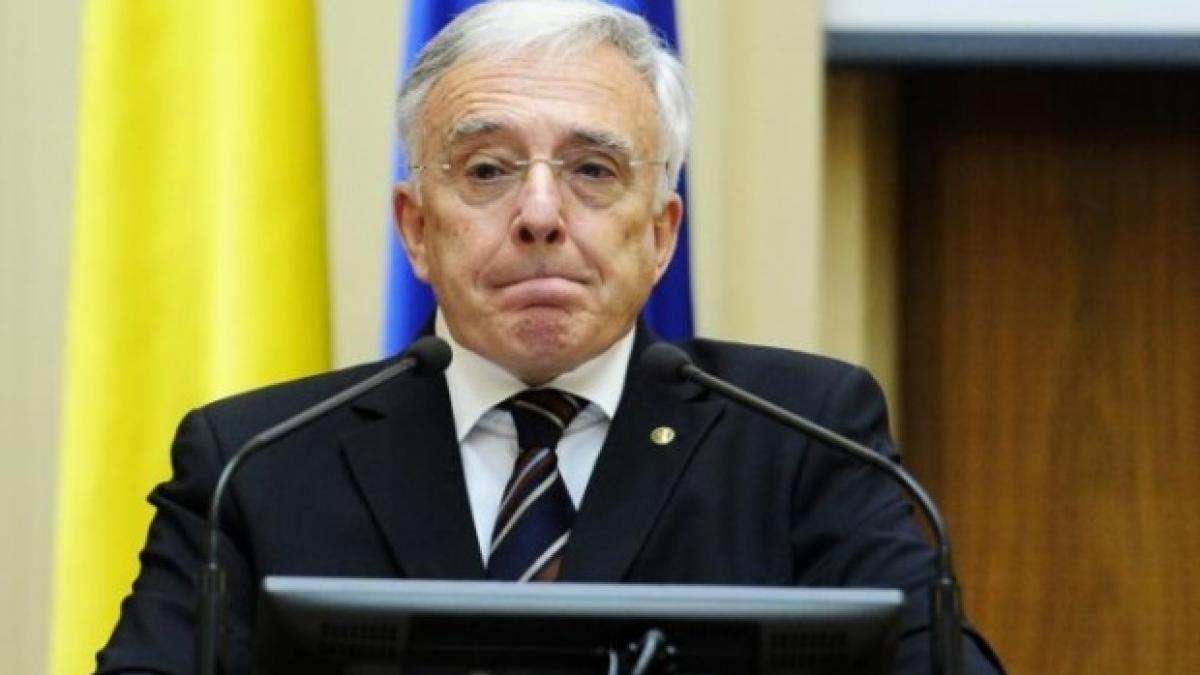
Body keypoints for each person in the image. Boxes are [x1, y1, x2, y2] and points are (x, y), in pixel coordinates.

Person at [97, 1, 1003, 673]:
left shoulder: (804, 441)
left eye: (593, 170)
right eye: (488, 169)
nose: (539, 213)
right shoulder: (255, 465)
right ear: (416, 227)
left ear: (661, 233)